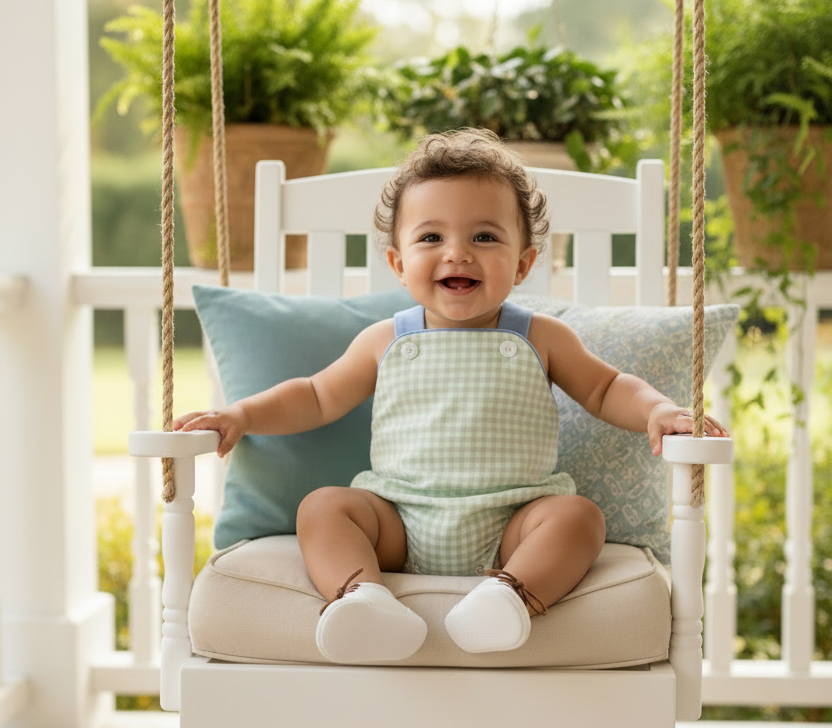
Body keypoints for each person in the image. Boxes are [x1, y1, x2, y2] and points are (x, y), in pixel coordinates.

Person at [175, 129, 727, 664]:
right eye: (431, 238)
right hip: (399, 520)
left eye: (484, 237)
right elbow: (316, 396)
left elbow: (607, 387)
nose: (458, 253)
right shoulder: (384, 340)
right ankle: (363, 599)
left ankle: (509, 598)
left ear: (523, 263)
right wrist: (240, 414)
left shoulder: (541, 337)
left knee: (579, 517)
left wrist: (658, 409)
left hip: (513, 523)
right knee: (322, 507)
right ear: (398, 263)